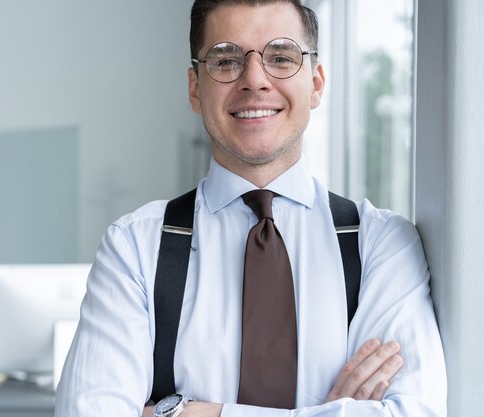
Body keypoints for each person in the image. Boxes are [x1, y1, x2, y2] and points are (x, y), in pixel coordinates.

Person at [55, 1, 447, 416]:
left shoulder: (382, 245)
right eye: (226, 60)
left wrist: (193, 412)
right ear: (195, 88)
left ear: (315, 84)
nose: (255, 80)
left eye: (281, 57)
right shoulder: (134, 247)